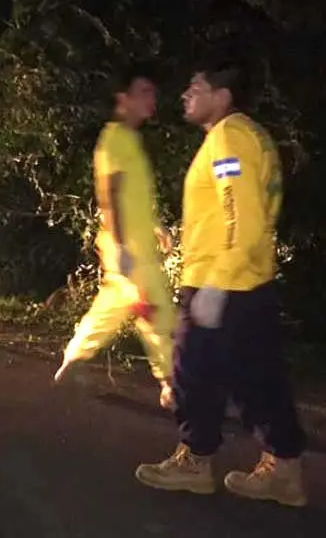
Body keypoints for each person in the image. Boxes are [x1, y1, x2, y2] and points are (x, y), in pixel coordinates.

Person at [135, 60, 307, 507]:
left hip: (223, 283)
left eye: (196, 86)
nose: (185, 93)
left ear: (223, 95)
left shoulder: (229, 137)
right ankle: (284, 469)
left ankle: (195, 461)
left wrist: (214, 286)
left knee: (193, 372)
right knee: (257, 378)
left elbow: (240, 218)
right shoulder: (253, 136)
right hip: (251, 283)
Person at [54, 66, 175, 408]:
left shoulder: (130, 139)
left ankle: (75, 356)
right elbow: (109, 195)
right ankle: (171, 385)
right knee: (154, 312)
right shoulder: (115, 139)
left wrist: (155, 225)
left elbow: (133, 196)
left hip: (133, 245)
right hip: (128, 248)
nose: (152, 99)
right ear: (124, 99)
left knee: (114, 305)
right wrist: (121, 246)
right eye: (144, 92)